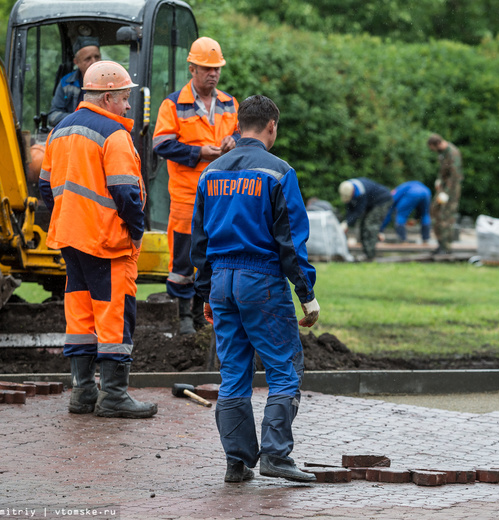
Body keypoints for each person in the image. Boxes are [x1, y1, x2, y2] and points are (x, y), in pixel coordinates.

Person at [190, 95, 320, 484]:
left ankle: (237, 461)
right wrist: (307, 295)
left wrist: (204, 294)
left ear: (238, 124)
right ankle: (276, 456)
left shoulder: (210, 173)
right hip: (261, 280)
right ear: (271, 126)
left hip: (221, 283)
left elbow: (197, 243)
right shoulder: (279, 173)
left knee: (233, 374)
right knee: (284, 368)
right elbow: (291, 243)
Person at [39, 61, 157, 419]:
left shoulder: (59, 130)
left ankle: (83, 394)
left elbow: (46, 187)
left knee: (80, 316)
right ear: (107, 97)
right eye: (124, 98)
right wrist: (135, 231)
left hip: (70, 240)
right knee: (113, 316)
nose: (127, 106)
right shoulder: (114, 134)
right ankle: (114, 396)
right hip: (107, 241)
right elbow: (126, 193)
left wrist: (71, 214)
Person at [153, 37, 239, 335]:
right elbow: (161, 144)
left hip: (222, 196)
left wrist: (234, 142)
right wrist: (199, 152)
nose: (212, 74)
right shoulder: (173, 104)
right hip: (187, 196)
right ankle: (184, 316)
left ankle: (204, 312)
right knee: (184, 257)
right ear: (192, 69)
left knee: (214, 255)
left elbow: (242, 137)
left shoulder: (230, 103)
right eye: (206, 68)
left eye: (216, 69)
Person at [48, 36, 101, 126]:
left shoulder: (111, 82)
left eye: (97, 57)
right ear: (76, 62)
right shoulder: (66, 83)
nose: (94, 61)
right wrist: (80, 119)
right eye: (88, 59)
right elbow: (53, 117)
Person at [338, 177, 392, 261]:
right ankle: (366, 253)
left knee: (370, 225)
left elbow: (358, 211)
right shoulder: (348, 188)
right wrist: (347, 222)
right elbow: (350, 209)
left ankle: (369, 255)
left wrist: (347, 223)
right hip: (371, 203)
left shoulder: (361, 192)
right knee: (363, 225)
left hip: (382, 201)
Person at [427, 133, 463, 254]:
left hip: (451, 190)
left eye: (433, 148)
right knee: (435, 212)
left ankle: (446, 247)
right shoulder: (442, 153)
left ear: (437, 144)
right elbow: (443, 171)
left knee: (445, 216)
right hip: (443, 188)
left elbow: (455, 176)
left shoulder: (453, 153)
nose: (433, 151)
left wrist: (446, 193)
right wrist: (439, 181)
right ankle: (440, 243)